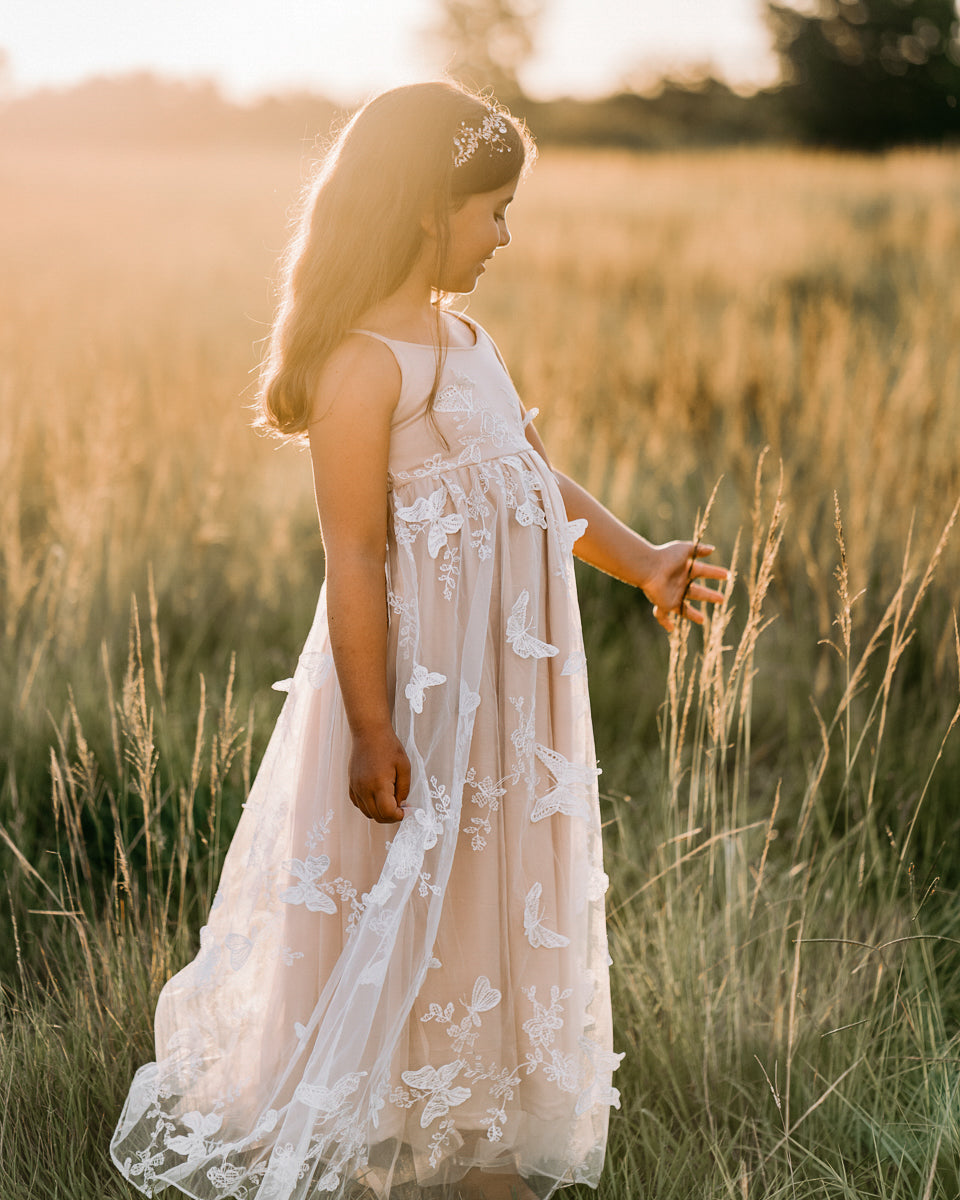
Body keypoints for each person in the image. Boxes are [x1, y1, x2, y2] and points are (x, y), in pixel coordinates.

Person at [110, 81, 727, 1200]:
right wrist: (370, 726)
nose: (504, 233)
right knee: (398, 912)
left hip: (505, 713)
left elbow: (536, 479)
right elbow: (352, 557)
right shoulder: (366, 368)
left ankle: (474, 1132)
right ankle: (379, 1145)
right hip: (415, 708)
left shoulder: (472, 343)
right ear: (419, 211)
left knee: (484, 910)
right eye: (491, 208)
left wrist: (641, 559)